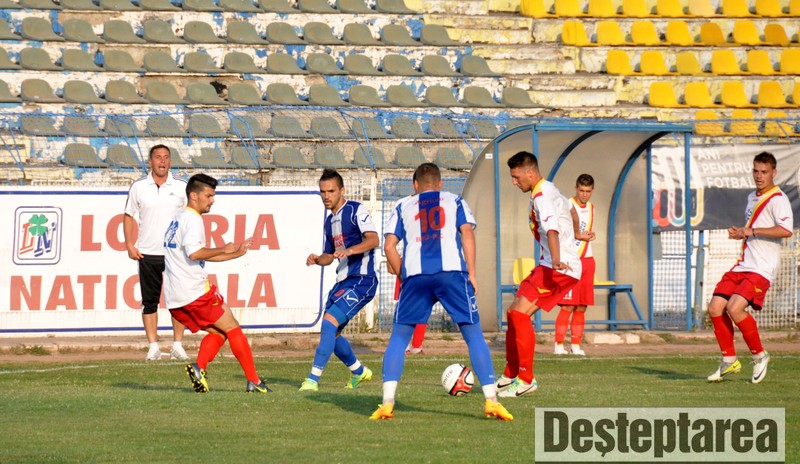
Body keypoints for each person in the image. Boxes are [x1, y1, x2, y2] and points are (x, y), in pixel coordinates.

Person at [371, 163, 513, 421]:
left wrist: (403, 273)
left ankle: (387, 403)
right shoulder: (454, 201)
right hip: (452, 274)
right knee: (473, 335)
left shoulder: (403, 206)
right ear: (440, 184)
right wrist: (471, 272)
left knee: (399, 338)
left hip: (416, 277)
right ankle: (491, 401)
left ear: (415, 185)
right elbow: (467, 233)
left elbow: (389, 246)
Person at [163, 174, 270, 394]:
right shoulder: (193, 219)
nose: (212, 200)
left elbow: (197, 256)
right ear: (194, 196)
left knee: (219, 333)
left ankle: (199, 369)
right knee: (233, 328)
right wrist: (224, 248)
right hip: (195, 293)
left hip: (175, 297)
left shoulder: (178, 218)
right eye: (209, 195)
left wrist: (235, 254)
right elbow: (195, 253)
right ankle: (254, 381)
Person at [496, 151, 582, 398]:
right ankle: (511, 374)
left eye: (516, 177)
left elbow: (552, 229)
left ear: (530, 172)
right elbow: (572, 210)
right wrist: (577, 234)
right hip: (549, 264)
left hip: (557, 267)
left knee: (519, 314)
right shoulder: (548, 188)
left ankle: (526, 380)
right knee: (512, 312)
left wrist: (556, 259)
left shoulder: (542, 196)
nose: (514, 182)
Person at [706, 152, 793, 384]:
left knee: (735, 308)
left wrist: (751, 231)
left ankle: (759, 355)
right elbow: (753, 230)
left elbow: (786, 230)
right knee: (715, 308)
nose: (759, 176)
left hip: (762, 268)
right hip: (744, 264)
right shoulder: (751, 197)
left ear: (774, 173)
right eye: (756, 171)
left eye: (764, 172)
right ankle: (729, 360)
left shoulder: (778, 199)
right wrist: (741, 233)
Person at [299, 169, 379, 392]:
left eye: (331, 191)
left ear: (342, 191)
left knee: (328, 324)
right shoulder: (329, 221)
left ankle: (312, 380)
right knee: (331, 334)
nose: (326, 196)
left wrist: (350, 250)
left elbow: (373, 239)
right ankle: (359, 372)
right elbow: (329, 255)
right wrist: (318, 259)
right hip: (343, 281)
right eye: (322, 192)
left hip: (362, 280)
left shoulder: (355, 210)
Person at [123, 144, 190, 361]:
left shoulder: (181, 186)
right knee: (149, 301)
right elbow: (128, 215)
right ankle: (153, 346)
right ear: (150, 161)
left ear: (170, 161)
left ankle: (177, 345)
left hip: (175, 254)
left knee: (178, 300)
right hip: (147, 253)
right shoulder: (139, 187)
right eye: (158, 157)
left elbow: (191, 216)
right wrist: (130, 245)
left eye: (166, 157)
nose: (162, 161)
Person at [554, 174, 597, 356]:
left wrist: (590, 235)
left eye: (588, 191)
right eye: (582, 190)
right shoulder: (567, 205)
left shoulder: (592, 208)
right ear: (576, 188)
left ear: (592, 190)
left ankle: (576, 345)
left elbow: (583, 231)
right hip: (572, 261)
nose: (584, 194)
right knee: (568, 305)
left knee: (582, 305)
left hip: (587, 260)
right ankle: (558, 344)